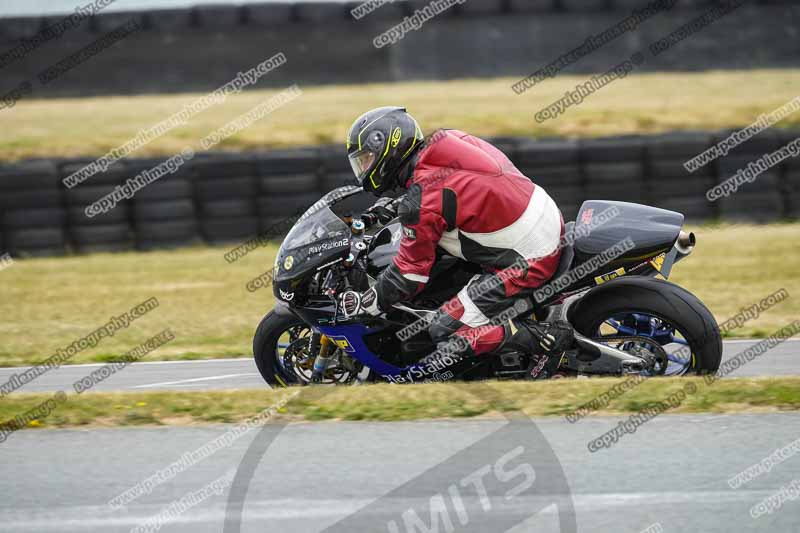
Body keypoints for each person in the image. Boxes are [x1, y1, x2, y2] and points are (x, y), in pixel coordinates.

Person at [339, 106, 573, 379]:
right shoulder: (446, 140)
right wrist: (396, 206)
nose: (364, 170)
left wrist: (370, 302)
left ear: (387, 151)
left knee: (445, 330)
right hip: (542, 214)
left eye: (366, 160)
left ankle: (545, 340)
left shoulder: (421, 200)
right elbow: (457, 188)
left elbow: (409, 275)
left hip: (531, 257)